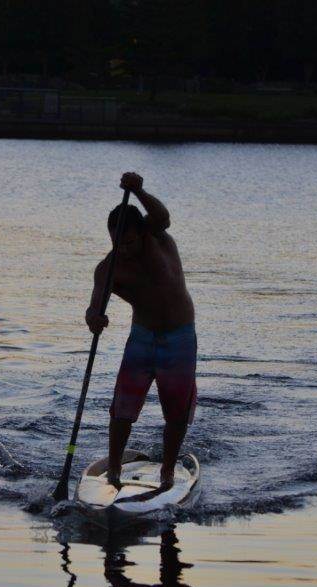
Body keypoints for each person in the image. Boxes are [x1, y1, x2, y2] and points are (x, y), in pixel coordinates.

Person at [86, 172, 197, 491]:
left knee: (176, 410)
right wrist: (95, 318)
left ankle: (167, 472)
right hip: (142, 338)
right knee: (122, 408)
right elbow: (94, 306)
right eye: (117, 243)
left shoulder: (157, 236)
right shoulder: (109, 267)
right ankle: (115, 469)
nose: (124, 249)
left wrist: (138, 190)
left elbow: (162, 216)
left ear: (143, 233)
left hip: (179, 337)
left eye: (130, 242)